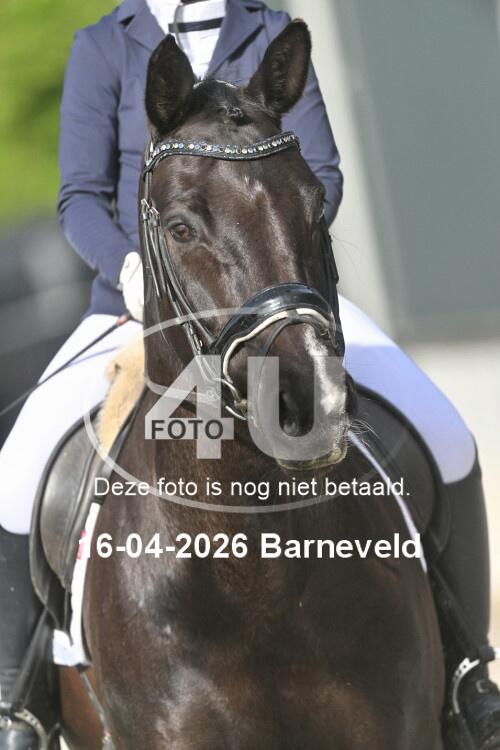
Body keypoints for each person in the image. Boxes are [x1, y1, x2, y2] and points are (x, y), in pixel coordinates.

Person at [0, 0, 498, 747]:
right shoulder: (103, 46)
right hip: (140, 301)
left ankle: (467, 676)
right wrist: (132, 269)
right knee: (18, 467)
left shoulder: (269, 31)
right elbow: (79, 196)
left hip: (274, 297)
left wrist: (279, 269)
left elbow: (320, 172)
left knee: (447, 436)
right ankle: (19, 703)